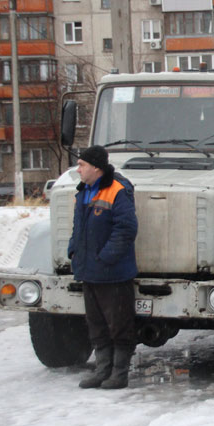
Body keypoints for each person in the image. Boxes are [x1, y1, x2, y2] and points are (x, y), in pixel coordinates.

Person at [69, 145, 139, 390]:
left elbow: (126, 228)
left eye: (82, 165)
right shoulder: (84, 192)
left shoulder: (118, 190)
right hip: (90, 272)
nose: (78, 169)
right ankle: (102, 371)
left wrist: (106, 258)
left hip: (113, 273)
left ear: (96, 167)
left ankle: (119, 373)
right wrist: (73, 251)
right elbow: (78, 228)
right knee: (96, 325)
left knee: (119, 325)